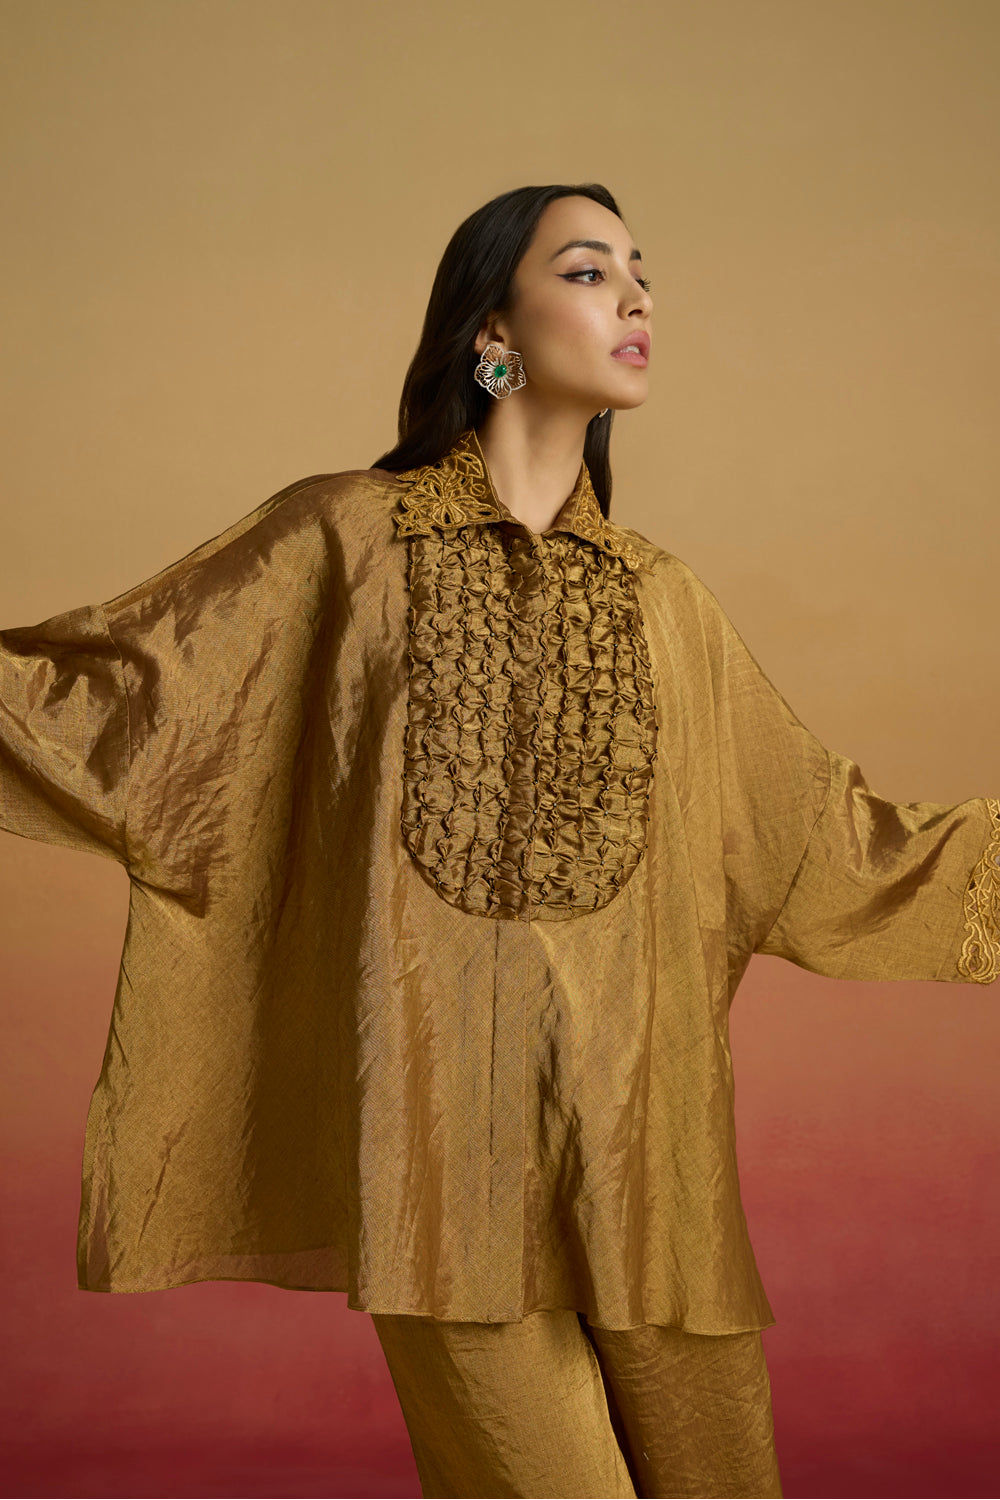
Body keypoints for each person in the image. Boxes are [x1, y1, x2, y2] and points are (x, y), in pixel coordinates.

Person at [0, 182, 996, 1500]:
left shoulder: (667, 607)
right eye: (587, 271)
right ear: (493, 335)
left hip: (651, 1182)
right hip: (442, 1184)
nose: (635, 296)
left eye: (640, 271)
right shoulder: (345, 543)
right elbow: (118, 709)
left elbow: (834, 846)